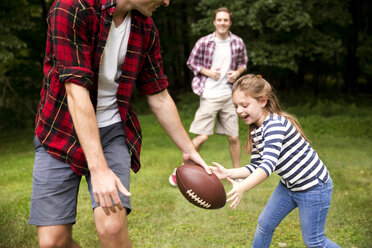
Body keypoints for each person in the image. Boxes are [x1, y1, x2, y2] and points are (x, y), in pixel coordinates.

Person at [29, 0, 210, 247]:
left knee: (112, 228)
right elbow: (76, 91)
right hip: (60, 131)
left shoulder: (145, 27)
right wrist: (99, 169)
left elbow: (158, 93)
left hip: (112, 130)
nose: (167, 2)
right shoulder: (72, 7)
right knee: (52, 242)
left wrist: (188, 149)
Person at [211, 74, 340, 247]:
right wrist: (228, 172)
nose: (239, 111)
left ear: (263, 101)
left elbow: (267, 167)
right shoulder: (257, 129)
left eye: (244, 105)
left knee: (315, 241)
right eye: (236, 106)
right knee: (265, 225)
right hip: (289, 186)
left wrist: (242, 186)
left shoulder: (274, 125)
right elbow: (256, 165)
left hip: (313, 187)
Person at [168, 7, 248, 186]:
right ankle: (180, 170)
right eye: (219, 20)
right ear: (214, 22)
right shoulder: (204, 42)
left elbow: (243, 63)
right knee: (203, 136)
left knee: (234, 137)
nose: (222, 23)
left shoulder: (237, 42)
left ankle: (236, 174)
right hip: (209, 94)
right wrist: (208, 72)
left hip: (229, 94)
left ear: (230, 22)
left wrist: (237, 72)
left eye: (225, 20)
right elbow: (191, 62)